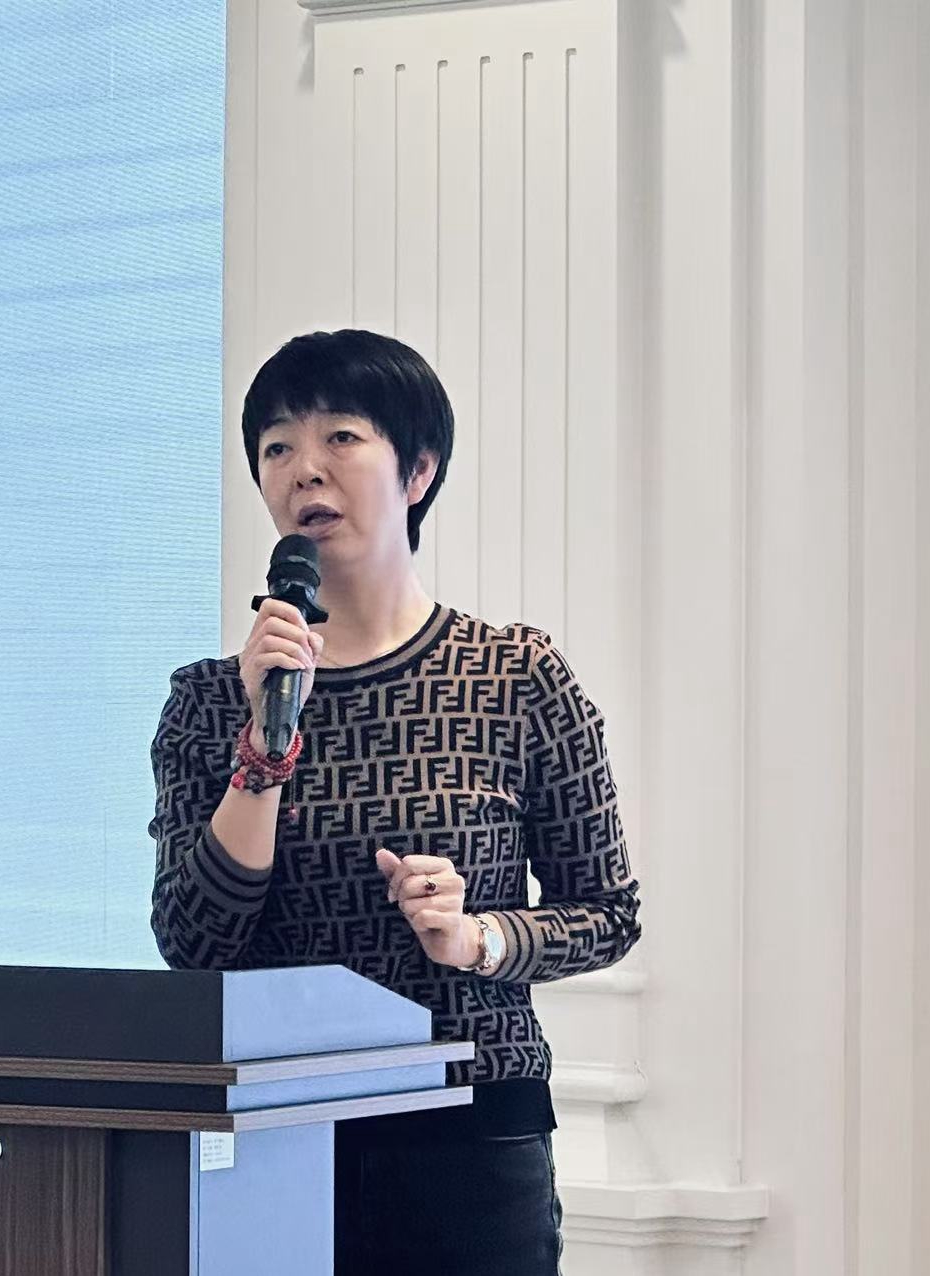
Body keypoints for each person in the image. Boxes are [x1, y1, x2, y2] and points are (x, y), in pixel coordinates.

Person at [147, 328, 642, 1275]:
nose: (305, 469)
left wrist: (479, 937)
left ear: (419, 470)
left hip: (469, 1135)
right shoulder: (211, 700)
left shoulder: (515, 676)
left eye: (341, 436)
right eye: (278, 447)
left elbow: (609, 914)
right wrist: (263, 749)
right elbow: (195, 944)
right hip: (275, 1132)